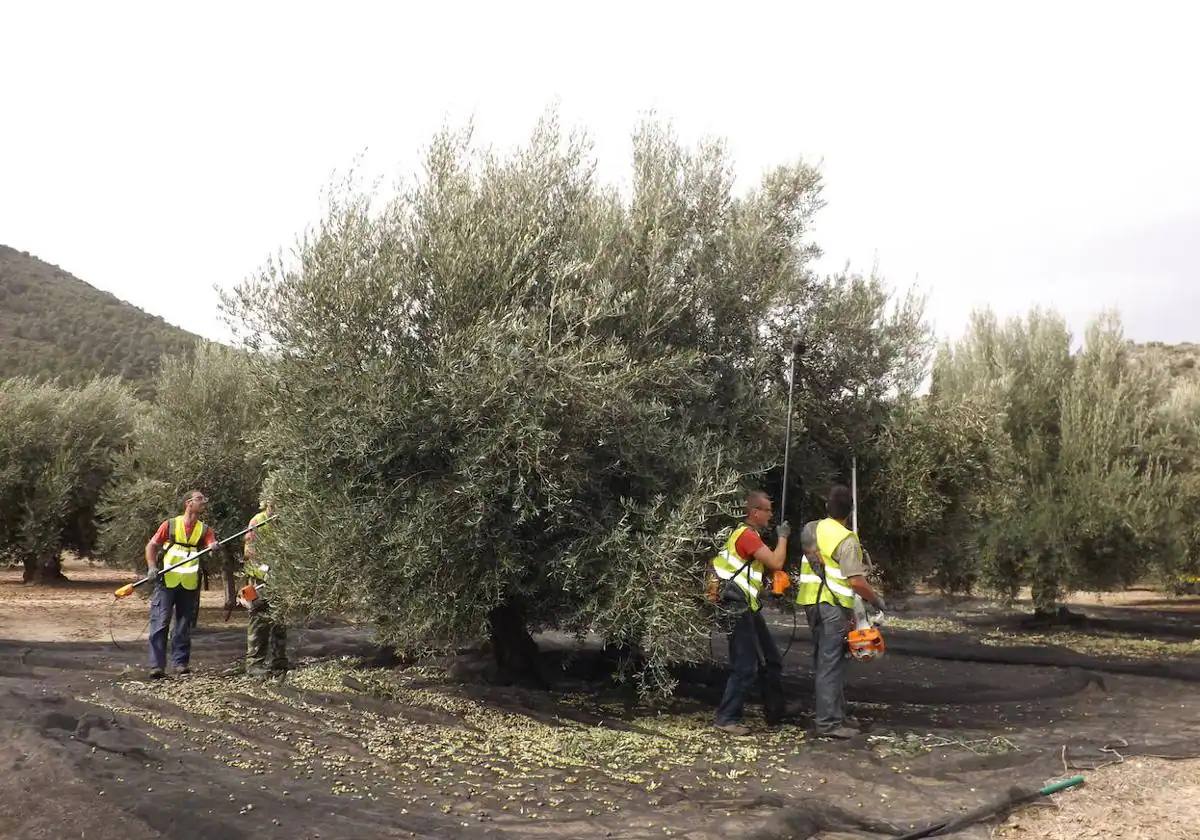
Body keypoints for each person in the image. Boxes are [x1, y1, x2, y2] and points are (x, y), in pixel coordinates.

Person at [796, 485, 886, 738]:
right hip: (832, 606)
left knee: (826, 661)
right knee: (831, 664)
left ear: (827, 507)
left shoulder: (811, 528)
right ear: (850, 510)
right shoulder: (847, 539)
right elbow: (856, 581)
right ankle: (828, 723)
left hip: (810, 602)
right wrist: (876, 600)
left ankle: (837, 715)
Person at [711, 490, 790, 736]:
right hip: (736, 607)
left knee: (771, 659)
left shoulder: (750, 535)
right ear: (755, 512)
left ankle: (776, 710)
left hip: (747, 607)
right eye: (767, 510)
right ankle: (727, 718)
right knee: (745, 666)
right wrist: (783, 537)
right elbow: (776, 562)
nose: (770, 515)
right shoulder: (746, 536)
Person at [145, 490, 219, 679]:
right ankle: (157, 666)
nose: (204, 503)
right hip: (166, 582)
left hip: (189, 584)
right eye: (199, 499)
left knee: (183, 625)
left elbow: (211, 543)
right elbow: (152, 545)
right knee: (160, 623)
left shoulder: (204, 529)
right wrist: (152, 567)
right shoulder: (170, 525)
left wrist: (212, 547)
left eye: (204, 500)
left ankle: (180, 664)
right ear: (188, 503)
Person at [242, 499, 287, 678]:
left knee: (280, 619)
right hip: (257, 578)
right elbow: (248, 551)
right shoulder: (257, 521)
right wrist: (269, 563)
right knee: (258, 620)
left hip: (280, 578)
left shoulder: (285, 522)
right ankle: (254, 663)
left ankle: (279, 660)